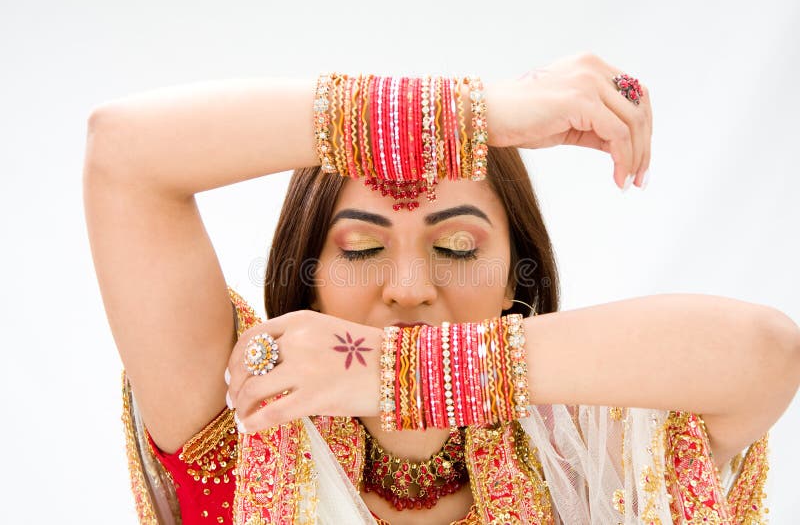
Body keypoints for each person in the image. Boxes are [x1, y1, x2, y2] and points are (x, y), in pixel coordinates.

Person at [83, 53, 800, 524]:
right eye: (361, 247)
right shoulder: (241, 418)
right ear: (305, 265)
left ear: (521, 267)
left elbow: (765, 352)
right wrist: (482, 111)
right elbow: (124, 153)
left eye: (457, 246)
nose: (408, 286)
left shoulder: (587, 450)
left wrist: (398, 375)